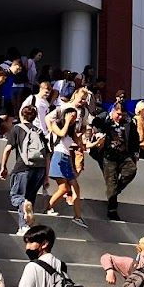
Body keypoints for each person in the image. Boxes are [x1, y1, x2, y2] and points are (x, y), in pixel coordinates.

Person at [0, 101, 48, 233]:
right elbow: (47, 154)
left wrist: (3, 166)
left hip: (23, 167)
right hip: (39, 168)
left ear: (21, 115)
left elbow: (8, 149)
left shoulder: (17, 128)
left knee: (18, 196)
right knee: (29, 199)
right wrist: (46, 176)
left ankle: (24, 224)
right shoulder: (39, 131)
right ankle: (24, 226)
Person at [45, 89, 88, 226]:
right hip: (58, 157)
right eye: (72, 116)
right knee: (66, 187)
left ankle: (77, 216)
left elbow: (80, 143)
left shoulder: (72, 130)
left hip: (66, 158)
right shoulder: (57, 124)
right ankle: (49, 207)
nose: (74, 119)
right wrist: (67, 121)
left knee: (72, 187)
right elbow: (61, 134)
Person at [91, 100, 140, 220]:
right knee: (111, 182)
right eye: (118, 114)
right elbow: (95, 123)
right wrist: (97, 134)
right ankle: (112, 209)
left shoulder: (129, 123)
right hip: (108, 155)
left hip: (124, 154)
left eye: (122, 114)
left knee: (131, 170)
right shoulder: (105, 120)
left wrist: (135, 155)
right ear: (112, 112)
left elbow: (135, 139)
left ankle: (114, 191)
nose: (120, 117)